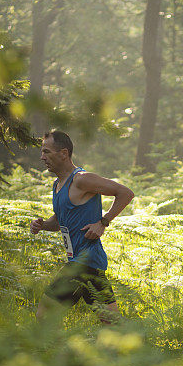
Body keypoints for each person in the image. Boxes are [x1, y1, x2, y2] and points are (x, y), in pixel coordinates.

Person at [30, 130, 134, 321]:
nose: (42, 157)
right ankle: (136, 347)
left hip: (84, 263)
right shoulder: (57, 185)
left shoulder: (82, 179)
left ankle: (50, 350)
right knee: (111, 322)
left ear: (63, 153)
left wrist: (103, 222)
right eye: (42, 152)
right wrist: (43, 225)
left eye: (46, 152)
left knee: (44, 314)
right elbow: (61, 220)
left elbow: (125, 193)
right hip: (85, 263)